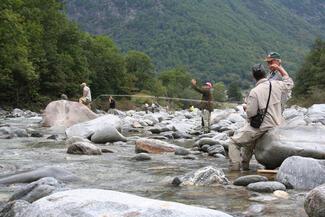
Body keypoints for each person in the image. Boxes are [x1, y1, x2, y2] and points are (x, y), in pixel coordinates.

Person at [228, 63, 294, 171]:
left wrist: (245, 107)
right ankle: (245, 167)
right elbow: (290, 83)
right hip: (278, 123)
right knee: (249, 139)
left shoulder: (254, 91)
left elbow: (251, 113)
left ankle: (235, 169)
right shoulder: (277, 84)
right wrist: (279, 68)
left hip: (262, 126)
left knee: (234, 142)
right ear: (264, 74)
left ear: (253, 76)